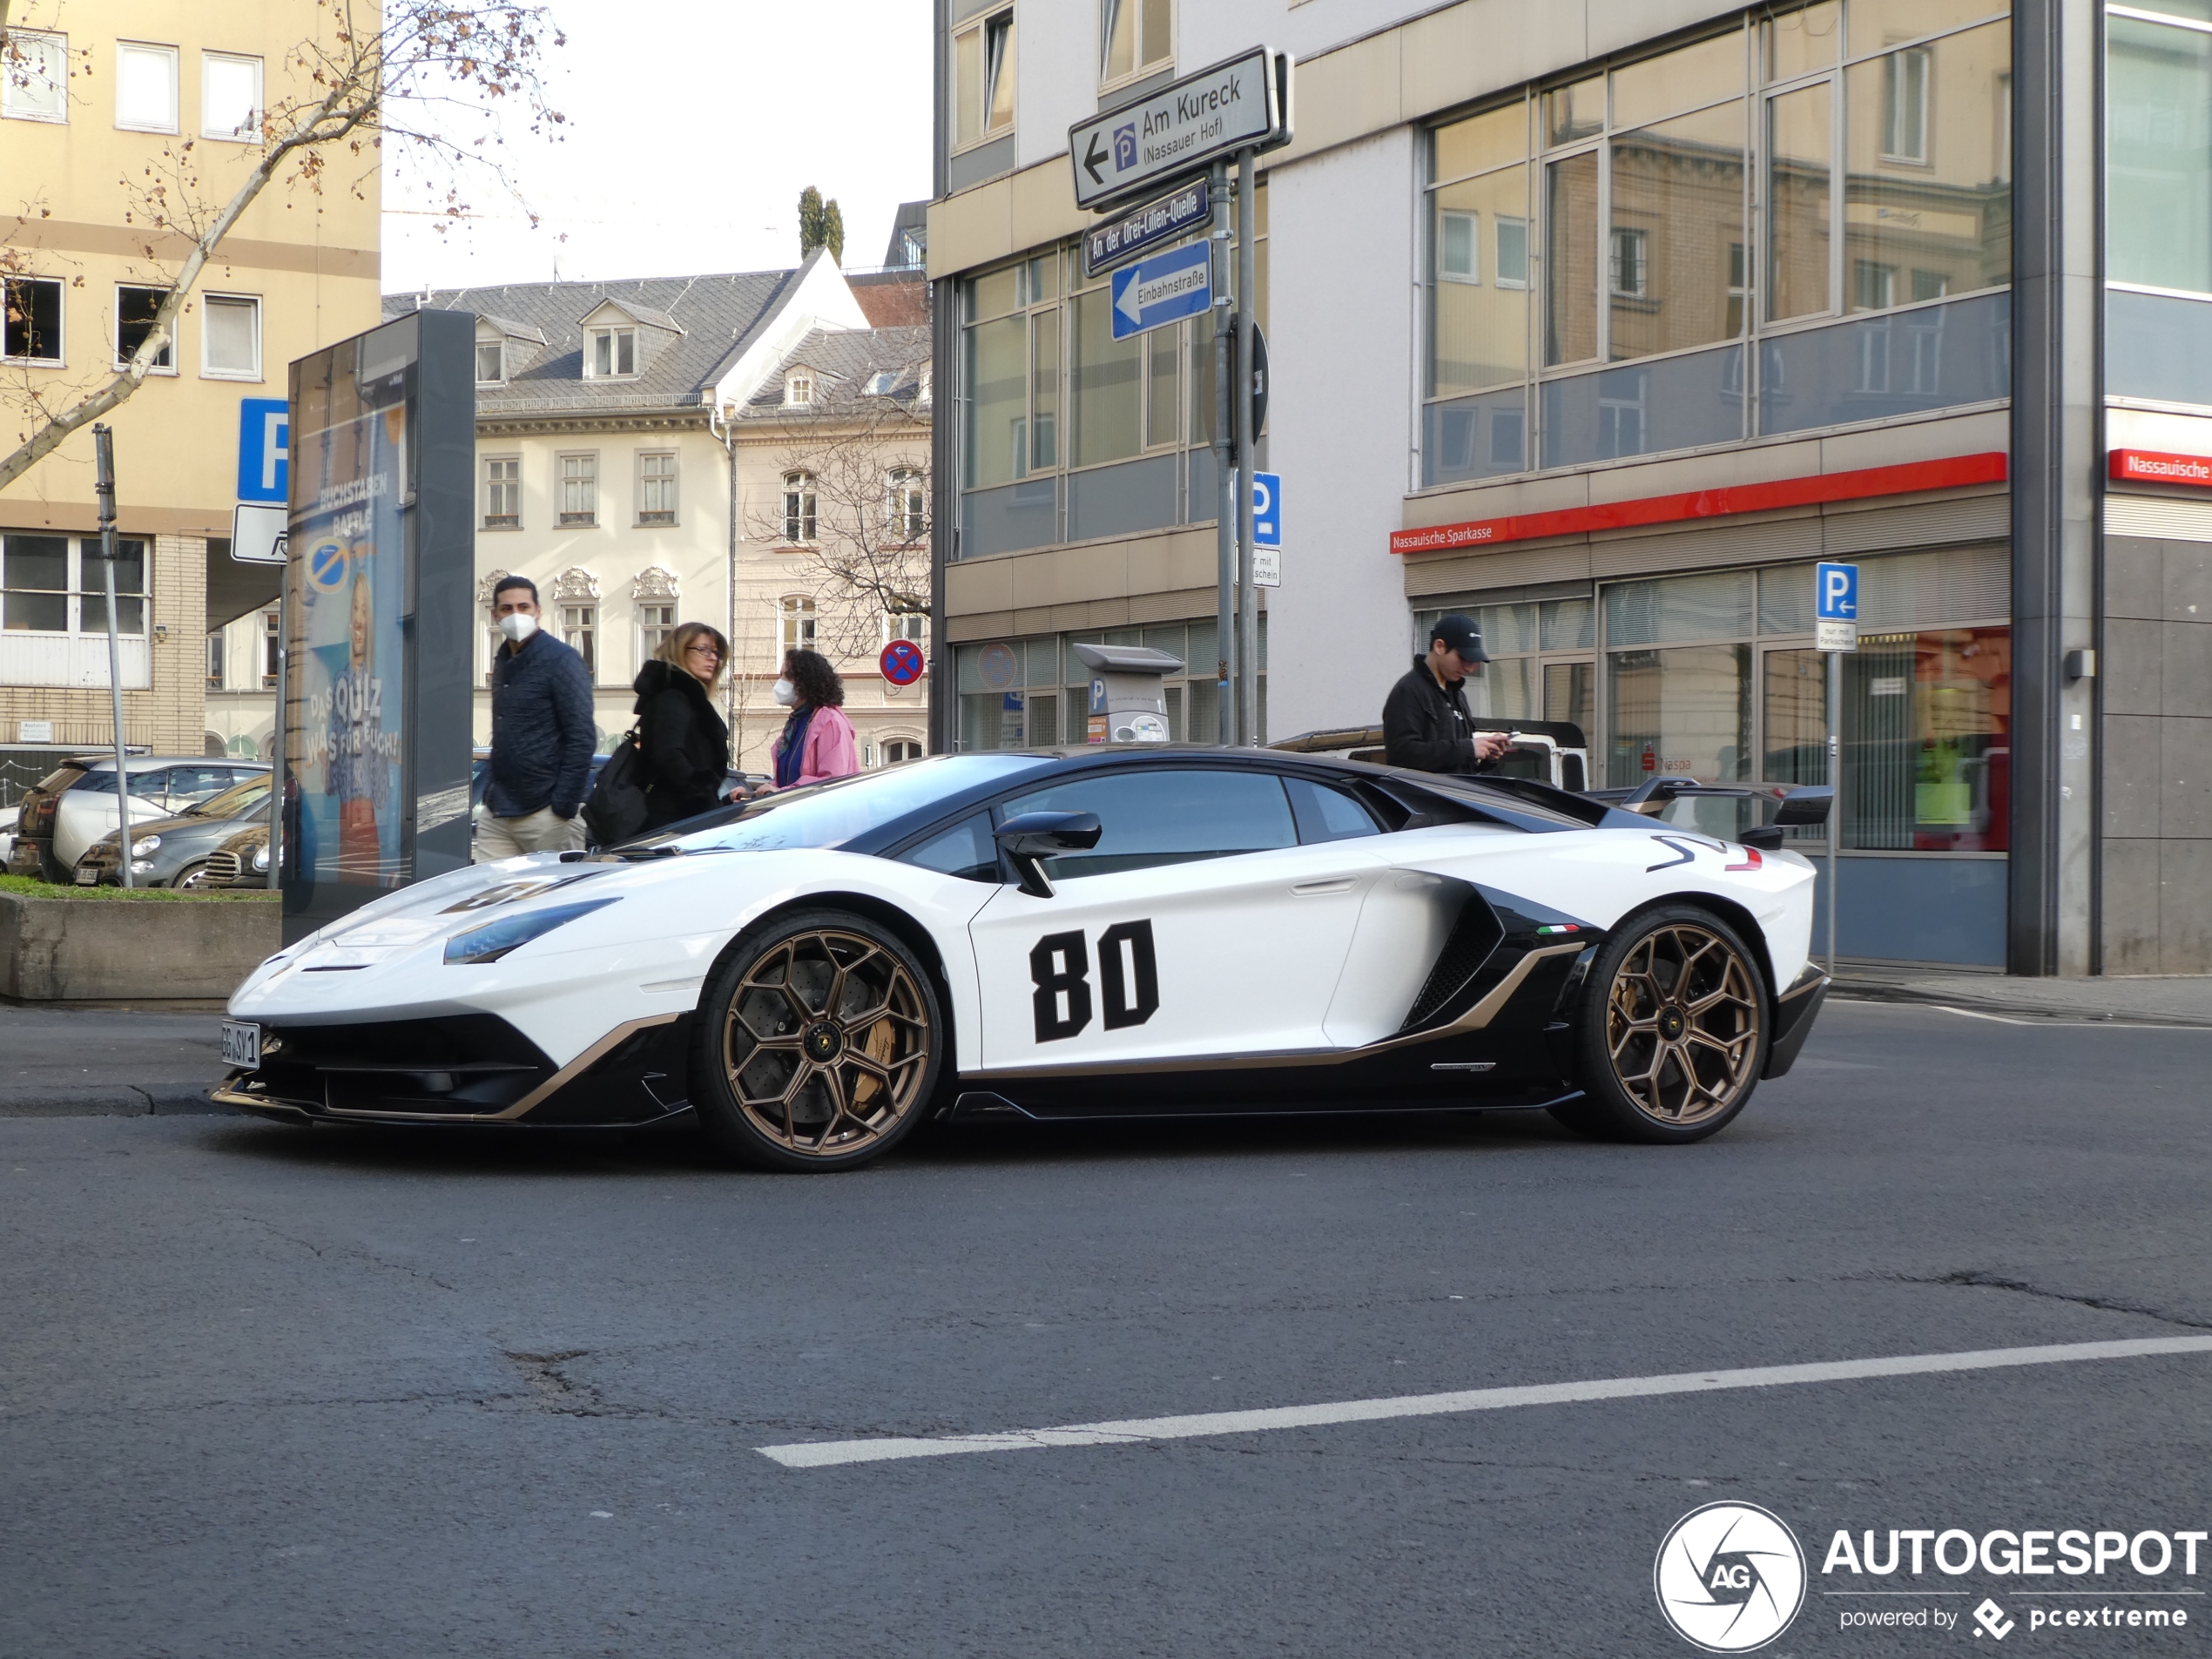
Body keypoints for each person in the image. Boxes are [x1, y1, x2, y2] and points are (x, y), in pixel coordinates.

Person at [478, 575, 596, 860]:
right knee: (489, 897)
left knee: (555, 898)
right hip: (499, 810)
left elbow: (582, 736)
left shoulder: (562, 660)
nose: (515, 615)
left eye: (523, 607)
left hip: (547, 811)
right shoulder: (503, 661)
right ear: (495, 614)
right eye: (507, 609)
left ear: (538, 611)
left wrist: (563, 806)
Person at [633, 621, 744, 830]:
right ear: (679, 651)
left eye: (716, 652)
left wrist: (719, 801)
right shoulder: (673, 697)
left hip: (682, 816)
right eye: (703, 650)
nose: (713, 657)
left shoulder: (686, 698)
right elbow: (668, 754)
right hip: (674, 820)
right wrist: (702, 794)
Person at [1381, 613, 1514, 774]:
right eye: (1463, 657)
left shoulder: (1458, 696)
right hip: (1423, 797)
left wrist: (1489, 757)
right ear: (1439, 647)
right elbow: (1401, 755)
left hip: (1456, 795)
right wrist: (1467, 748)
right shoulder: (1408, 691)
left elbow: (1460, 765)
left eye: (1472, 661)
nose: (1469, 668)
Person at [762, 647, 859, 792]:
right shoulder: (795, 724)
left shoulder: (830, 722)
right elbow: (786, 778)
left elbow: (832, 781)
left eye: (787, 677)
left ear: (805, 682)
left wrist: (781, 793)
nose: (780, 682)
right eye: (781, 675)